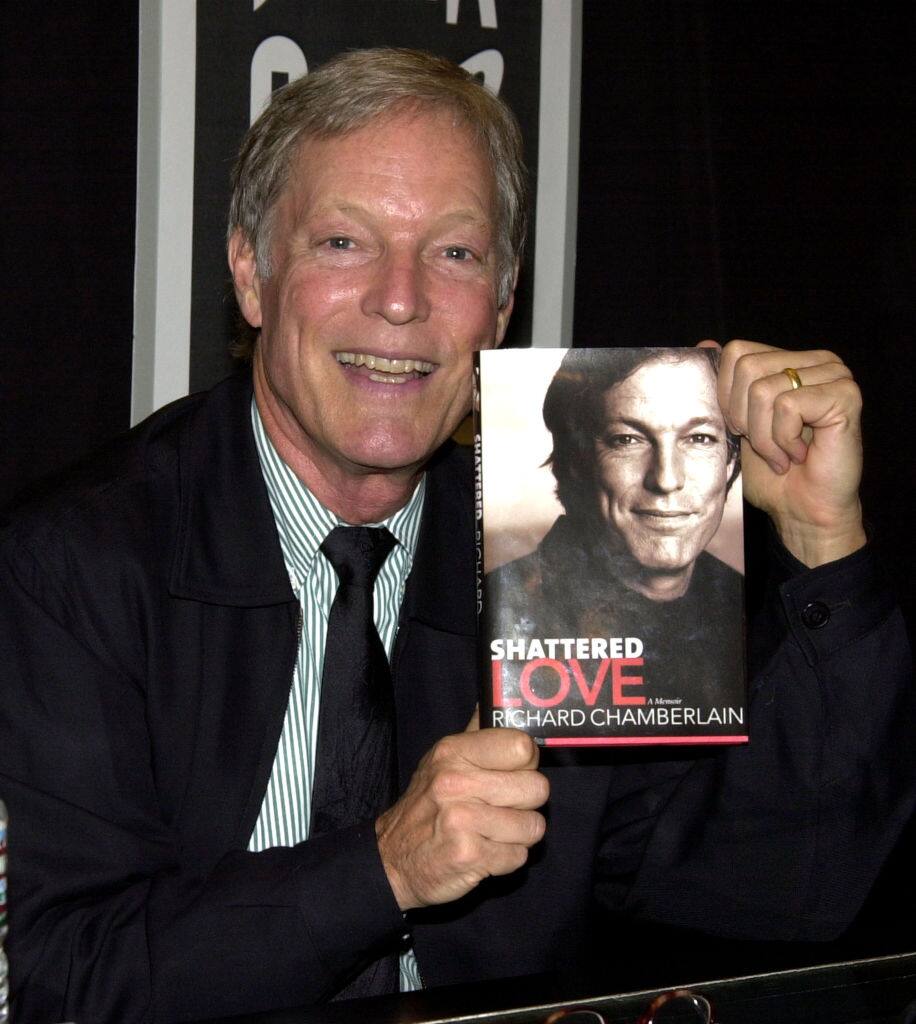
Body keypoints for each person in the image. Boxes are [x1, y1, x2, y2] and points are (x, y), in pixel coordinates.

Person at [0, 48, 912, 1024]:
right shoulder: (78, 564)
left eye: (455, 253)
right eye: (344, 242)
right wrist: (386, 866)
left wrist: (823, 539)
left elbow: (789, 891)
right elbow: (64, 980)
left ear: (503, 304)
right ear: (250, 274)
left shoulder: (556, 545)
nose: (402, 298)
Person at [485, 347, 746, 725]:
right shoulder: (500, 612)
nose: (667, 479)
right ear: (575, 460)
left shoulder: (751, 609)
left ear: (731, 462)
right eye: (627, 440)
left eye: (699, 439)